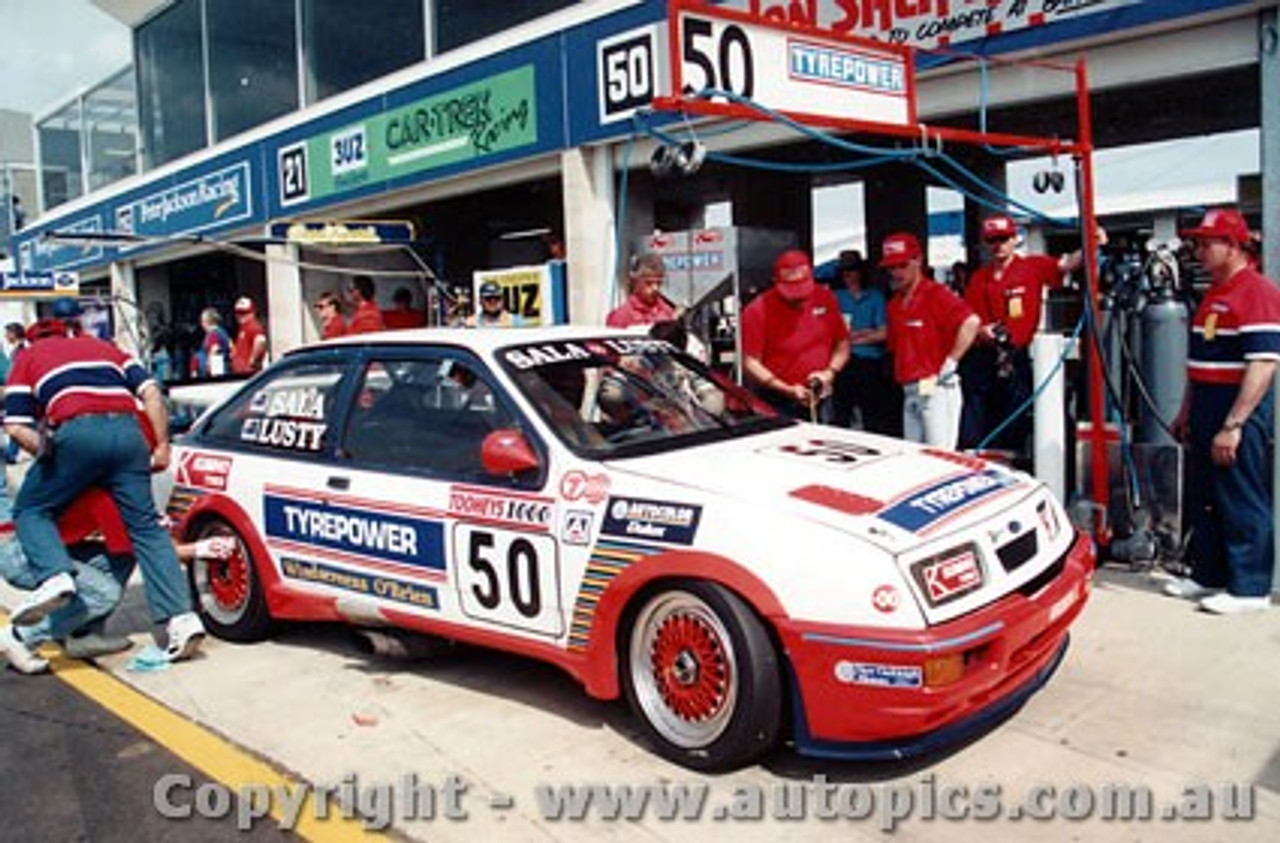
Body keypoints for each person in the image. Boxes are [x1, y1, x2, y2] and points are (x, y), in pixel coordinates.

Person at [2, 312, 206, 662]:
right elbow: (152, 393)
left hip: (77, 429)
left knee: (33, 509)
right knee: (144, 528)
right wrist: (161, 446)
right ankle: (182, 619)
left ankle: (56, 579)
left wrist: (51, 454)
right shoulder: (105, 348)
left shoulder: (28, 357)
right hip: (129, 434)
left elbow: (16, 426)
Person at [1165, 208, 1279, 615]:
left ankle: (1250, 587)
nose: (1198, 250)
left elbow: (1263, 363)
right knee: (1206, 494)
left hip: (1236, 407)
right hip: (1206, 403)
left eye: (1206, 242)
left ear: (1232, 245)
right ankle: (1208, 573)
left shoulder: (1256, 292)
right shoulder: (1214, 292)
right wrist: (1186, 411)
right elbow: (1200, 362)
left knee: (1241, 494)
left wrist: (1234, 424)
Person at [959, 214, 1095, 451]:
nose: (998, 246)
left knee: (1015, 416)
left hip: (1015, 355)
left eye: (1003, 239)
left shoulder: (1032, 267)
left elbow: (1066, 264)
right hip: (984, 357)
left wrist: (1092, 243)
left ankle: (1013, 458)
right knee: (978, 418)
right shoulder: (979, 278)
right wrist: (982, 331)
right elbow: (968, 318)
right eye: (993, 240)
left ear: (1014, 239)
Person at [882, 232, 979, 449]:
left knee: (939, 454)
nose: (896, 272)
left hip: (935, 385)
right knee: (914, 456)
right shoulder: (895, 304)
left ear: (918, 261)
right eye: (891, 267)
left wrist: (951, 361)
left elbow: (971, 321)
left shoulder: (936, 294)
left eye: (902, 265)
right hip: (909, 387)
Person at [740, 249, 850, 422]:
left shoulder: (826, 297)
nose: (799, 299)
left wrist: (829, 372)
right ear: (776, 281)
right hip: (776, 400)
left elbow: (842, 344)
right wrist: (785, 388)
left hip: (822, 393)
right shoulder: (757, 310)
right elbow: (750, 362)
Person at [830, 249, 902, 436]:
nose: (848, 275)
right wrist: (866, 334)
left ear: (860, 271)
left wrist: (853, 337)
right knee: (841, 413)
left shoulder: (875, 296)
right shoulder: (834, 297)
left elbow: (884, 333)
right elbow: (830, 333)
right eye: (845, 271)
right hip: (843, 361)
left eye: (852, 270)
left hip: (869, 362)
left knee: (872, 413)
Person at [606, 253, 677, 328]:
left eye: (659, 283)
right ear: (635, 282)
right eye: (648, 283)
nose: (655, 288)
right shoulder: (622, 316)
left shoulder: (667, 312)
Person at [230, 296, 268, 374]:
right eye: (238, 313)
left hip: (248, 373)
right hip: (240, 372)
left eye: (244, 313)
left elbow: (261, 341)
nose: (239, 316)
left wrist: (252, 361)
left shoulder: (253, 326)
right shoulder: (243, 328)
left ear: (252, 312)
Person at [192, 307, 231, 378]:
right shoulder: (222, 332)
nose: (201, 324)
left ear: (208, 321)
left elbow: (214, 349)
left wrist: (209, 366)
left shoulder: (213, 334)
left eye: (202, 321)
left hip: (215, 372)